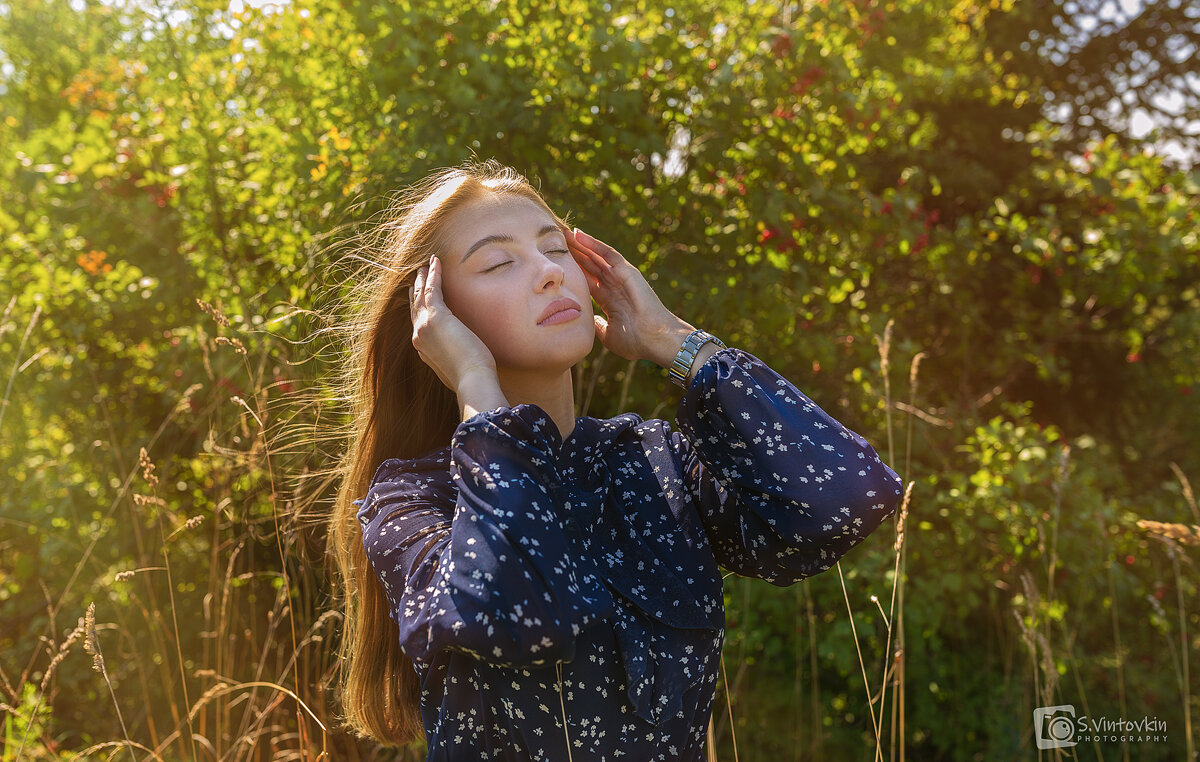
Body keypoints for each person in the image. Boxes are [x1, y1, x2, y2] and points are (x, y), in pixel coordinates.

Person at [327, 159, 903, 760]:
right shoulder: (413, 501)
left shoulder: (656, 464)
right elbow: (515, 611)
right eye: (499, 262)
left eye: (557, 249)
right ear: (434, 319)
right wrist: (476, 384)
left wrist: (674, 341)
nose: (550, 273)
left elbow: (840, 502)